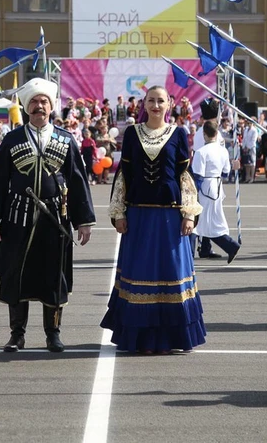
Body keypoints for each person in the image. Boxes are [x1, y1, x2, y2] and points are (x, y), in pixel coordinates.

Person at [0, 78, 95, 353]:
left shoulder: (66, 139)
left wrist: (83, 221)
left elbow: (77, 181)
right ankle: (17, 335)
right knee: (16, 276)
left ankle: (53, 334)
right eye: (34, 102)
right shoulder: (12, 139)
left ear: (52, 107)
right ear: (27, 107)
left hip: (55, 221)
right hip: (16, 219)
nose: (39, 106)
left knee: (53, 277)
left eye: (44, 102)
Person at [102, 85, 206, 353]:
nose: (156, 105)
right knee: (140, 274)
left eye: (161, 101)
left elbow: (185, 176)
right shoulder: (132, 134)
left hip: (171, 218)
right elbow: (123, 175)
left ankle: (174, 338)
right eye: (151, 100)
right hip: (139, 217)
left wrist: (189, 214)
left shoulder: (179, 134)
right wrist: (119, 213)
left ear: (169, 104)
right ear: (144, 105)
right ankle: (142, 339)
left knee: (171, 273)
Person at [190, 120, 241, 264]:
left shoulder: (201, 152)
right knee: (208, 221)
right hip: (218, 187)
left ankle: (190, 254)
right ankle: (226, 246)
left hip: (205, 187)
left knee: (197, 222)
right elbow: (226, 172)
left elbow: (197, 176)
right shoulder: (223, 150)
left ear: (204, 134)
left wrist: (193, 194)